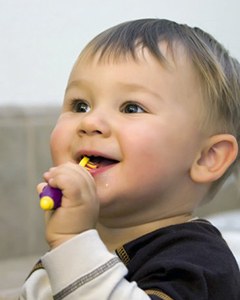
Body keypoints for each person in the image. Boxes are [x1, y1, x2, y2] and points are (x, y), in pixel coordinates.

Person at [20, 18, 240, 299]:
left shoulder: (200, 263)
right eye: (80, 105)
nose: (90, 122)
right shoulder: (78, 246)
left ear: (207, 158)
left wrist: (71, 243)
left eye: (131, 108)